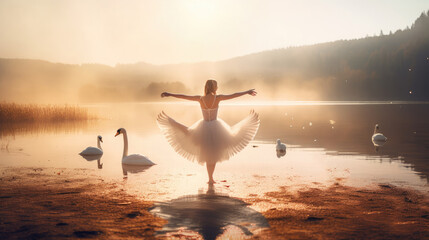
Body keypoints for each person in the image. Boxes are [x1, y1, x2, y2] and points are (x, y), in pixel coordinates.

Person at [157, 79, 259, 183]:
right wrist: (246, 92)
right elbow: (233, 95)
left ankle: (210, 178)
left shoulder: (200, 99)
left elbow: (184, 96)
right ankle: (211, 178)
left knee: (207, 154)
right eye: (216, 86)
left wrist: (169, 94)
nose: (217, 88)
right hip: (216, 128)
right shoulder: (218, 98)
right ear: (213, 87)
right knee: (213, 155)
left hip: (203, 128)